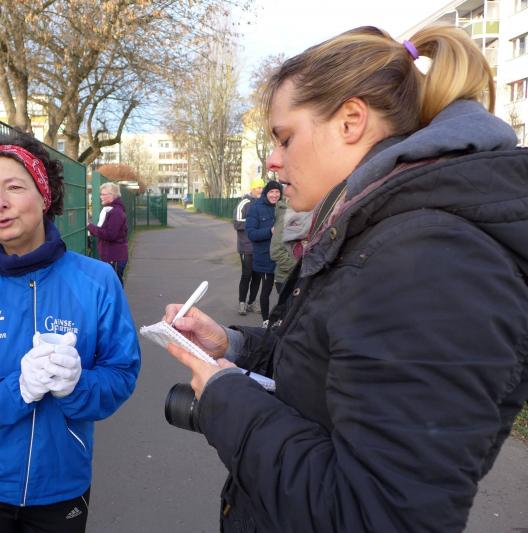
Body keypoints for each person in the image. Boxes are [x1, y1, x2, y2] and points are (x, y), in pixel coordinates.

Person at [161, 25, 528, 532]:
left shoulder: (428, 258)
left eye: (285, 137)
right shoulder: (375, 232)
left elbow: (379, 515)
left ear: (351, 121)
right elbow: (328, 365)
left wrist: (225, 397)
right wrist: (235, 347)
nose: (273, 159)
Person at [0, 133, 140, 532]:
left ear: (45, 196)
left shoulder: (97, 282)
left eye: (13, 187)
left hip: (60, 488)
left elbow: (122, 374)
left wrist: (77, 386)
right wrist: (19, 389)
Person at [245, 181, 282, 321]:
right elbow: (251, 234)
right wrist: (270, 231)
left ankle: (282, 321)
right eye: (271, 192)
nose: (274, 195)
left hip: (283, 258)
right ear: (266, 193)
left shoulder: (283, 207)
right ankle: (266, 321)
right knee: (266, 291)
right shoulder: (256, 208)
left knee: (284, 291)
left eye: (277, 192)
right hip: (265, 258)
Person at [86, 182, 129, 286]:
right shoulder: (111, 210)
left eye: (103, 194)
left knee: (114, 286)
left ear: (112, 195)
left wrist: (90, 227)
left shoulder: (116, 212)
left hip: (114, 257)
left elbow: (110, 235)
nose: (101, 196)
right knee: (113, 286)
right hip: (112, 256)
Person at [233, 177, 264, 315]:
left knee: (257, 276)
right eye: (258, 188)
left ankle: (251, 303)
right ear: (252, 188)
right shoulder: (244, 203)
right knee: (247, 275)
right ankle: (242, 303)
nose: (260, 190)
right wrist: (254, 222)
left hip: (260, 247)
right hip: (246, 247)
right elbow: (237, 223)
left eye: (262, 188)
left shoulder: (264, 203)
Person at [269, 198, 310, 294]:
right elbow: (276, 252)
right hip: (287, 278)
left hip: (303, 277)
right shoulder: (287, 216)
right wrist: (298, 268)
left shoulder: (308, 213)